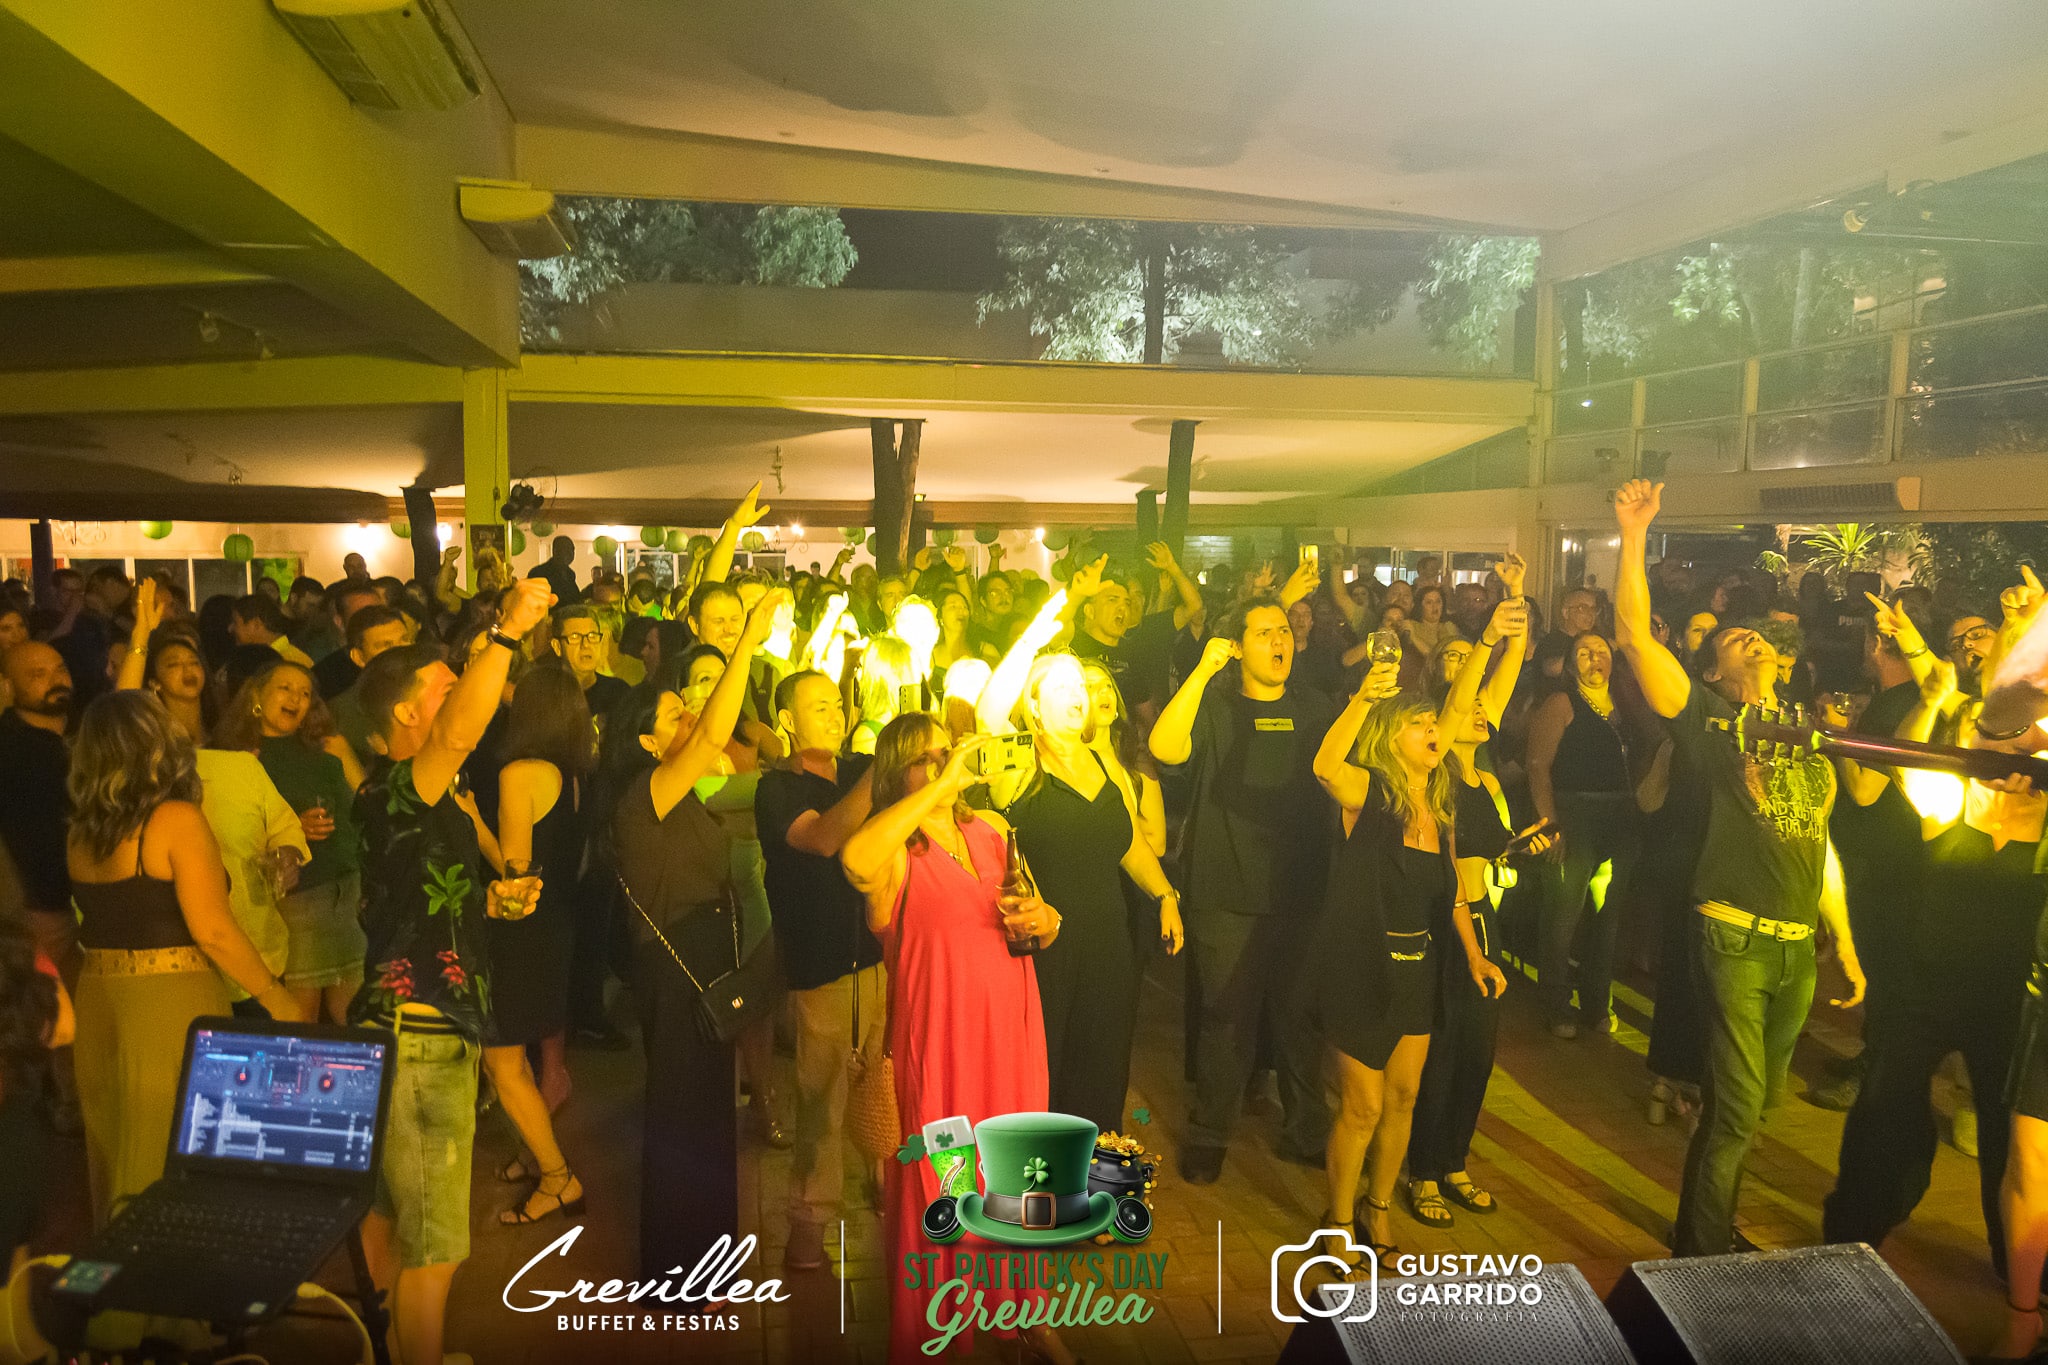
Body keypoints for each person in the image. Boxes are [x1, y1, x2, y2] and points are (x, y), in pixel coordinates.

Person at [1609, 479, 1864, 1257]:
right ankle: (1703, 1250)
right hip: (1733, 936)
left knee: (1748, 1108)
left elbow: (1819, 840)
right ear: (1712, 672)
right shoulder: (1712, 718)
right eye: (1733, 641)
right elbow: (1633, 636)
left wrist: (1845, 941)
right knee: (1738, 1105)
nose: (1750, 642)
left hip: (1795, 947)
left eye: (1758, 638)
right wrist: (1634, 533)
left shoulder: (1805, 732)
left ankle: (1707, 1227)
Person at [350, 576, 553, 1365]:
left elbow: (417, 900)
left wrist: (490, 900)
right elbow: (459, 734)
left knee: (389, 1216)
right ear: (408, 714)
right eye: (445, 685)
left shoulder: (420, 800)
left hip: (404, 1027)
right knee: (435, 1247)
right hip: (422, 1034)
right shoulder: (399, 787)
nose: (463, 693)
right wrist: (505, 633)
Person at [840, 717, 1067, 1365]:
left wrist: (1046, 918)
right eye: (928, 757)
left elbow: (1043, 922)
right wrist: (940, 788)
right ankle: (940, 1332)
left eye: (950, 752)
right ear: (897, 772)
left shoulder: (991, 829)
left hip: (1013, 1033)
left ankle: (1022, 1311)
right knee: (949, 1180)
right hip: (941, 1047)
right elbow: (853, 861)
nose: (946, 763)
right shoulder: (893, 850)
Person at [1823, 654, 2043, 1290]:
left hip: (2008, 1002)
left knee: (2008, 1138)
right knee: (1884, 1112)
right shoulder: (1950, 796)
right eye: (1988, 735)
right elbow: (1905, 762)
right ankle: (1850, 1240)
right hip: (1923, 988)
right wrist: (1931, 702)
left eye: (2019, 738)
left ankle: (2019, 1268)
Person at [67, 691, 306, 1226]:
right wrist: (277, 997)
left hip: (100, 1001)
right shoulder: (175, 819)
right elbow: (214, 931)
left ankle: (127, 1267)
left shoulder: (81, 832)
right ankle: (173, 1274)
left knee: (119, 1151)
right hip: (168, 1004)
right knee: (172, 1151)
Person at [610, 587, 784, 1280]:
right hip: (675, 966)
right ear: (648, 741)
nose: (691, 717)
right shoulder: (645, 794)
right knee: (682, 1119)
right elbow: (714, 735)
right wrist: (746, 642)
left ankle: (708, 1265)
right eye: (675, 714)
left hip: (703, 956)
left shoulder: (684, 794)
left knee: (710, 1116)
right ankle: (675, 1276)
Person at [1150, 596, 1336, 1185]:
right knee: (1226, 1019)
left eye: (1284, 631)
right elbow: (1164, 749)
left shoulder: (1316, 707)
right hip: (1225, 890)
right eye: (1264, 633)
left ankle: (1307, 1132)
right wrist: (1203, 672)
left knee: (1300, 1018)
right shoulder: (1215, 704)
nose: (1280, 641)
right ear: (1237, 646)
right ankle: (1210, 1134)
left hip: (1302, 887)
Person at [978, 648, 1183, 1136]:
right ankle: (1040, 1173)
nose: (1078, 695)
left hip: (1108, 944)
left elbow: (1127, 841)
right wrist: (1038, 632)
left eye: (1081, 686)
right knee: (1044, 1070)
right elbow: (988, 711)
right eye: (1062, 686)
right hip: (1044, 949)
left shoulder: (1102, 762)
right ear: (1033, 704)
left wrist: (1165, 895)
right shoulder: (1018, 762)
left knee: (1104, 1068)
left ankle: (1095, 1168)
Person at [1407, 584, 1541, 1229]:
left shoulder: (1486, 778)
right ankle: (1423, 1171)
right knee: (1441, 1055)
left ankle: (1455, 1161)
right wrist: (1486, 639)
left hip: (1487, 923)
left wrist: (1515, 603)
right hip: (1445, 927)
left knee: (1478, 1055)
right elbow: (1465, 699)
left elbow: (1497, 684)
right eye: (1470, 700)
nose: (1484, 707)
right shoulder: (1436, 774)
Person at [1312, 676, 1458, 1262]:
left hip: (1417, 971)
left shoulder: (1440, 808)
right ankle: (1339, 1221)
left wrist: (1473, 956)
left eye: (1433, 722)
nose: (1432, 730)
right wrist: (1363, 699)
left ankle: (1378, 1209)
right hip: (1361, 970)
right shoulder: (1369, 793)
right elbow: (1325, 767)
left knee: (1403, 1098)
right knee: (1363, 1107)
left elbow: (1450, 895)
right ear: (1389, 739)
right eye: (1417, 724)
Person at [755, 669, 879, 1272]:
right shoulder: (777, 788)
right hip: (821, 966)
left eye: (838, 704)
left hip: (883, 956)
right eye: (819, 706)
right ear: (786, 721)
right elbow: (825, 838)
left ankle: (889, 1182)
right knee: (822, 1102)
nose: (835, 714)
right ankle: (808, 1222)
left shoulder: (859, 769)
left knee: (889, 1085)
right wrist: (882, 775)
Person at [488, 663, 593, 1224]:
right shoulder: (574, 773)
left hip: (523, 931)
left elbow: (515, 874)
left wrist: (471, 823)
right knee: (517, 1060)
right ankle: (536, 1154)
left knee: (502, 1062)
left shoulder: (520, 772)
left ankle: (557, 1177)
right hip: (560, 924)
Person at [213, 659, 365, 1022]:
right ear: (255, 695)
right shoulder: (237, 758)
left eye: (305, 693)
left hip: (346, 896)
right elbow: (227, 830)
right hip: (294, 905)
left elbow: (358, 816)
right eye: (285, 688)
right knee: (299, 1020)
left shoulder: (326, 750)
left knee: (355, 1019)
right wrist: (291, 828)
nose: (296, 698)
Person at [1525, 630, 1640, 1038]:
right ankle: (1557, 1004)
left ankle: (1596, 1001)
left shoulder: (1626, 703)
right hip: (1575, 812)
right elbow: (1537, 765)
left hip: (1620, 814)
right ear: (1572, 664)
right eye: (1584, 652)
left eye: (1601, 650)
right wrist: (1550, 823)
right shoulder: (1562, 702)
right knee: (1564, 913)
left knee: (1608, 916)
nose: (1594, 658)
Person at [0, 644, 75, 973]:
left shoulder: (65, 739)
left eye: (60, 669)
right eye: (37, 675)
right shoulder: (17, 750)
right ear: (8, 686)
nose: (55, 680)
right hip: (37, 912)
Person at [327, 603, 413, 765]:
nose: (399, 652)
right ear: (359, 657)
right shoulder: (341, 714)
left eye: (404, 640)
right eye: (386, 646)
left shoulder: (437, 690)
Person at [313, 581, 387, 699]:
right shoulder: (325, 675)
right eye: (361, 616)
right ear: (340, 622)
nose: (372, 621)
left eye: (377, 613)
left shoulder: (401, 656)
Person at [231, 593, 314, 667]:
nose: (230, 628)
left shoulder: (288, 662)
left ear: (256, 624)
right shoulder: (259, 658)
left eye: (235, 622)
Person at [530, 534, 582, 605]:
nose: (570, 553)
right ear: (555, 551)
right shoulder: (539, 573)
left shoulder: (570, 574)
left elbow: (575, 598)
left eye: (572, 550)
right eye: (566, 549)